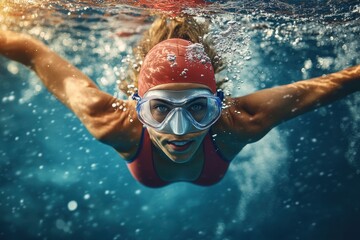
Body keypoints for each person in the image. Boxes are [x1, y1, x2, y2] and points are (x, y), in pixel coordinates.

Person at [0, 17, 359, 188]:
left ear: (219, 103)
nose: (180, 130)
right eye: (160, 108)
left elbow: (333, 84)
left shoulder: (241, 120)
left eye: (197, 107)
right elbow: (33, 53)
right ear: (137, 105)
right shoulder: (111, 119)